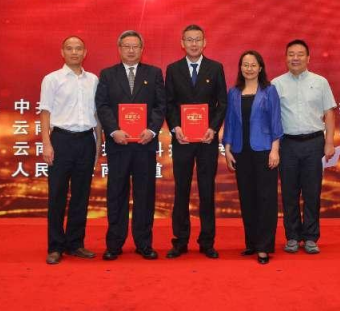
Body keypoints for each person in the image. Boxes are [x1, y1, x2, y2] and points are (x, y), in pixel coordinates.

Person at [95, 30, 166, 261]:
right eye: (127, 46)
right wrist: (113, 130)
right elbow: (102, 106)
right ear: (119, 49)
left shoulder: (154, 73)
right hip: (118, 144)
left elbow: (160, 105)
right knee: (116, 193)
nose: (131, 50)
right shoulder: (107, 74)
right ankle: (114, 244)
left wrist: (152, 130)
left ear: (142, 49)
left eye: (135, 46)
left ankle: (144, 243)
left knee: (145, 195)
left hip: (145, 144)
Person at [165, 25, 227, 259]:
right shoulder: (173, 69)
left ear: (204, 42)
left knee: (206, 191)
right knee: (181, 190)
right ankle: (180, 241)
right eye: (189, 40)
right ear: (182, 43)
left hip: (206, 140)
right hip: (182, 140)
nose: (193, 44)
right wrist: (175, 127)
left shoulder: (216, 68)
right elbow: (169, 104)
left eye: (197, 40)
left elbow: (222, 103)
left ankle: (207, 242)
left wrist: (213, 128)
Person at [40, 36, 102, 265]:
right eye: (69, 48)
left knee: (81, 195)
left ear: (85, 52)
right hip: (61, 141)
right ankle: (55, 246)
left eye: (78, 49)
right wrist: (47, 143)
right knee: (57, 195)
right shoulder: (52, 79)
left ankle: (75, 243)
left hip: (86, 141)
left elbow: (97, 115)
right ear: (62, 52)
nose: (74, 52)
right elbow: (45, 112)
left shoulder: (93, 80)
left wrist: (98, 143)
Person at [272, 40, 336, 255]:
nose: (295, 58)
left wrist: (329, 142)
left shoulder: (320, 82)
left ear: (308, 58)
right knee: (289, 192)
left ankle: (310, 237)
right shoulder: (276, 84)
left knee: (312, 192)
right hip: (287, 144)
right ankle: (292, 236)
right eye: (291, 54)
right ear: (285, 58)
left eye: (300, 54)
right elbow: (271, 118)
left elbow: (329, 113)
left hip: (314, 143)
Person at [223, 50, 283, 265]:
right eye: (245, 65)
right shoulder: (233, 92)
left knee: (266, 199)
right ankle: (252, 242)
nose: (249, 68)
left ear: (260, 68)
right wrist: (227, 149)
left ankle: (264, 247)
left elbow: (276, 121)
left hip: (264, 150)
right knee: (247, 198)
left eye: (253, 65)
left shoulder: (269, 91)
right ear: (240, 68)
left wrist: (275, 150)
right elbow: (230, 122)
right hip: (241, 151)